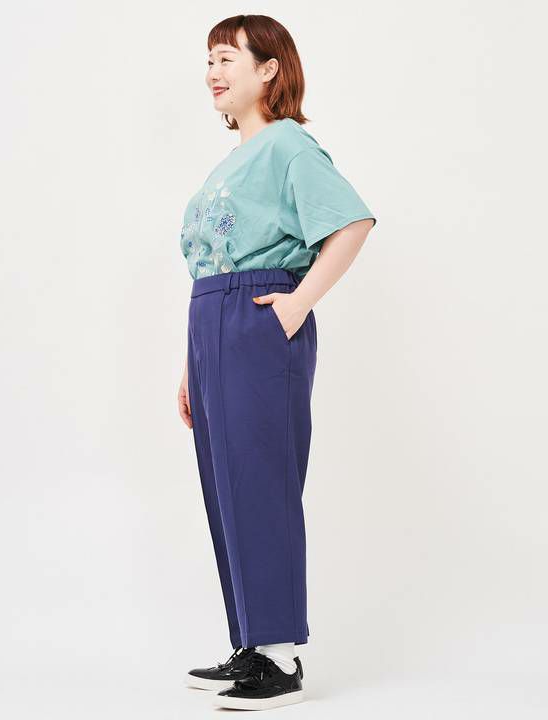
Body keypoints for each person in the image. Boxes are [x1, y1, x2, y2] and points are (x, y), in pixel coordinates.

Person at [177, 14, 376, 711]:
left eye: (226, 58)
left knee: (261, 480)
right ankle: (252, 644)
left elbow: (351, 222)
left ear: (269, 69)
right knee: (226, 486)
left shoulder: (289, 144)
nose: (213, 72)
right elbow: (211, 264)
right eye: (208, 60)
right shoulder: (232, 161)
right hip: (212, 321)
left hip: (258, 317)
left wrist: (295, 307)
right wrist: (191, 363)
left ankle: (282, 657)